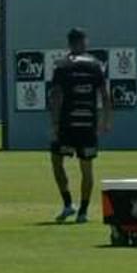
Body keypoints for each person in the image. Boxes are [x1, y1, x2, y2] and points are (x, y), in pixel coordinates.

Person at [47, 26, 110, 223]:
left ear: (69, 43)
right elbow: (105, 96)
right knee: (86, 167)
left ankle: (68, 204)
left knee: (57, 161)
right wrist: (105, 120)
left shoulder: (62, 65)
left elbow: (56, 96)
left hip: (67, 124)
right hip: (87, 123)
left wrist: (55, 122)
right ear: (83, 42)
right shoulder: (95, 65)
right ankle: (82, 211)